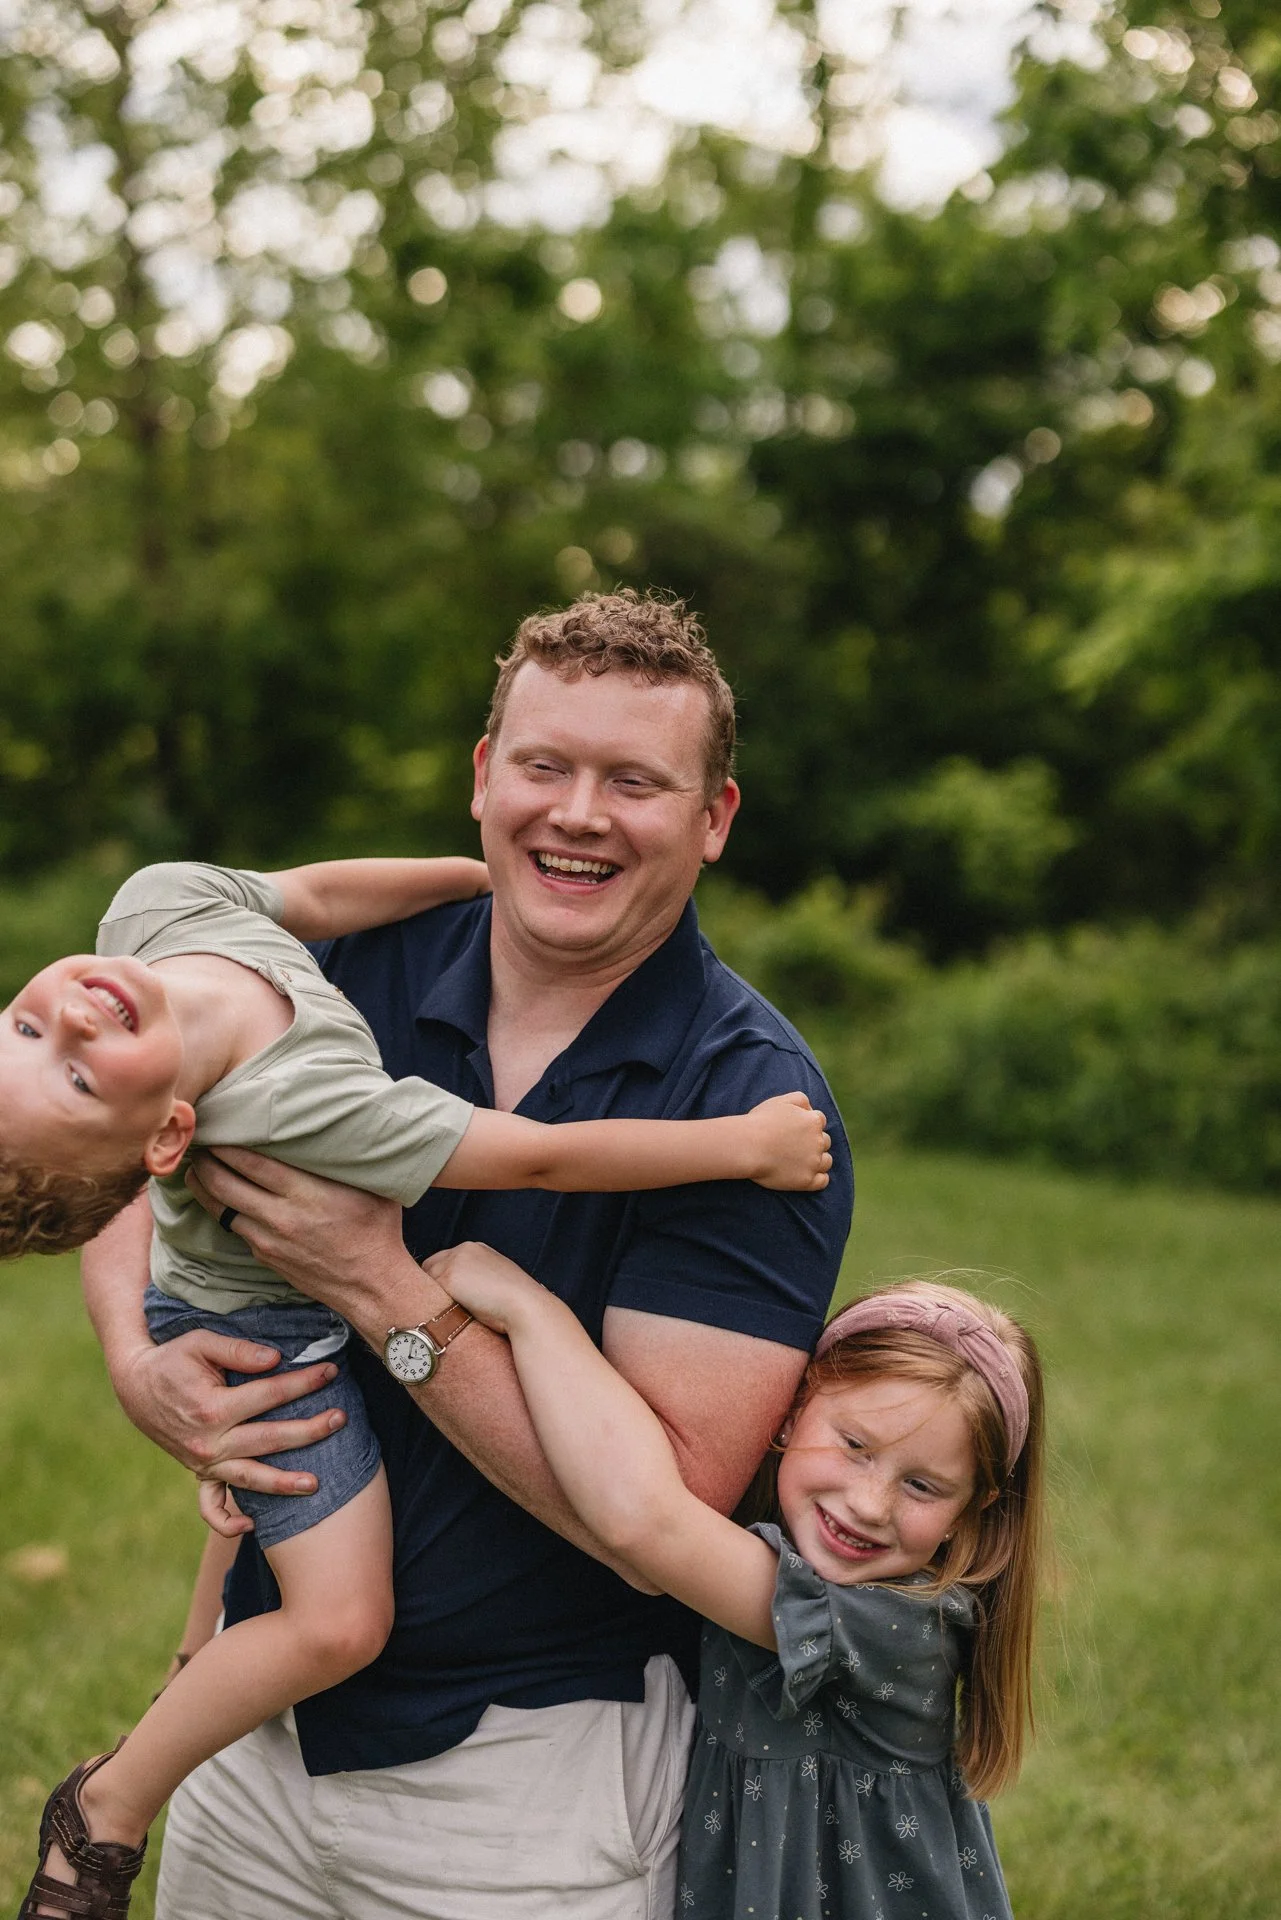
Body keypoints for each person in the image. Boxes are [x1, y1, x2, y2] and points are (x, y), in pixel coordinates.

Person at [77, 590, 855, 1920]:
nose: (577, 814)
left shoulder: (748, 1107)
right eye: (545, 766)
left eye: (635, 782)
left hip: (530, 1786)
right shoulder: (332, 966)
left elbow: (655, 1523)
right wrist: (135, 1362)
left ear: (713, 819)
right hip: (252, 1721)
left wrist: (377, 1286)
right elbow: (102, 1137)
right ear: (485, 777)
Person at [435, 1261, 1045, 1920]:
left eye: (921, 1486)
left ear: (973, 1511)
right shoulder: (773, 1550)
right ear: (791, 1413)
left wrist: (534, 1315)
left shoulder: (897, 1619)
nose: (869, 1504)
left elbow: (645, 1522)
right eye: (854, 1446)